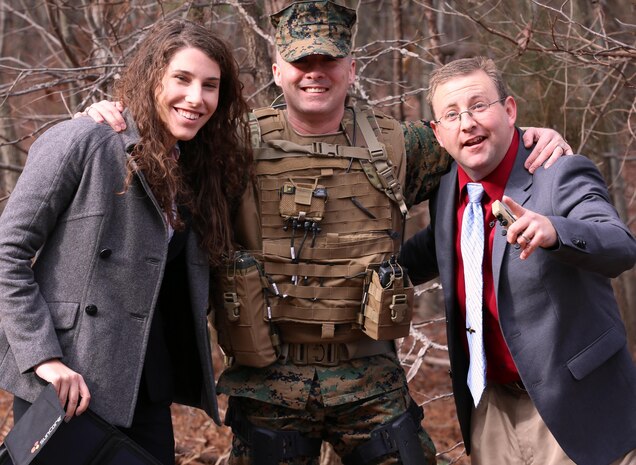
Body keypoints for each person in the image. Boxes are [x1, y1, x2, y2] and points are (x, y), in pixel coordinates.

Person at [81, 3, 571, 464]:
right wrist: (106, 121)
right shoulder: (228, 146)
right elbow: (160, 147)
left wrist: (531, 135)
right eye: (300, 60)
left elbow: (476, 138)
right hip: (267, 380)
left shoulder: (402, 145)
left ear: (350, 69)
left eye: (329, 59)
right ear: (277, 71)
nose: (315, 71)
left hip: (371, 378)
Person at [0, 19, 252, 465]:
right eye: (182, 78)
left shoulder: (198, 169)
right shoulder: (84, 140)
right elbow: (7, 253)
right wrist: (44, 359)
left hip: (146, 386)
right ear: (153, 77)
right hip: (69, 382)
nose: (196, 98)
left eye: (210, 86)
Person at [400, 56, 636, 465]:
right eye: (452, 115)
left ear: (509, 110)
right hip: (488, 409)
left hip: (574, 406)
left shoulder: (556, 172)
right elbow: (428, 252)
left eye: (479, 106)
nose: (467, 122)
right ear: (438, 133)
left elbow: (619, 243)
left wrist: (555, 230)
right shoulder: (446, 190)